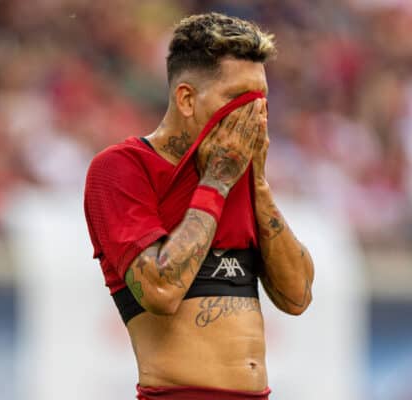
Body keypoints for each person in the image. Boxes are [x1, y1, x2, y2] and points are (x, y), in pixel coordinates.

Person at [83, 12, 314, 400]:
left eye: (260, 100)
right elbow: (160, 290)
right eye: (237, 99)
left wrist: (256, 180)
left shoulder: (239, 173)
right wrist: (217, 182)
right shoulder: (121, 168)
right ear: (186, 98)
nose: (253, 115)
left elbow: (297, 296)